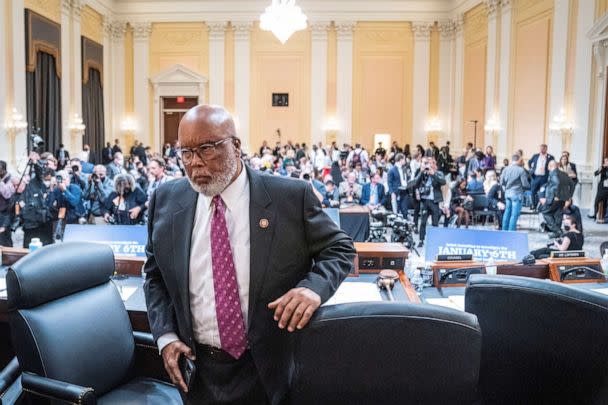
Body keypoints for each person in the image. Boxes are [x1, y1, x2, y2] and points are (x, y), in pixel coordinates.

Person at [143, 105, 355, 404]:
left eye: (206, 149)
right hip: (196, 370)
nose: (195, 163)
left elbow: (340, 248)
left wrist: (312, 289)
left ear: (236, 146)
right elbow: (154, 277)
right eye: (186, 153)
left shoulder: (289, 197)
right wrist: (165, 336)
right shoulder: (165, 200)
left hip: (271, 368)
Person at [413, 157, 446, 247]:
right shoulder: (423, 173)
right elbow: (415, 182)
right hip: (425, 201)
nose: (429, 165)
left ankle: (434, 240)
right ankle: (421, 240)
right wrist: (421, 171)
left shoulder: (439, 173)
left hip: (434, 201)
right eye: (427, 163)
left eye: (430, 163)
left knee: (435, 222)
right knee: (423, 222)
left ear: (434, 164)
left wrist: (433, 174)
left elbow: (443, 182)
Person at [538, 160, 575, 238]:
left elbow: (556, 183)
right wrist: (569, 196)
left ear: (550, 166)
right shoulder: (564, 174)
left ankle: (557, 231)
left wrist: (556, 195)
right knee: (557, 214)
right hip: (563, 199)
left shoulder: (553, 173)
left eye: (548, 167)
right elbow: (572, 185)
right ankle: (556, 234)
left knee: (545, 212)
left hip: (554, 198)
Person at [501, 154, 530, 231]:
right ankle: (511, 232)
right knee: (514, 215)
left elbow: (502, 182)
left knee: (507, 212)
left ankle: (504, 230)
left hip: (507, 193)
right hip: (517, 194)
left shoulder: (505, 169)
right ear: (519, 160)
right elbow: (525, 184)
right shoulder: (521, 170)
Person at [0, 161, 16, 246]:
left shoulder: (10, 179)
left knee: (5, 236)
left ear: (3, 170)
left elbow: (7, 195)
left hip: (6, 212)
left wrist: (1, 183)